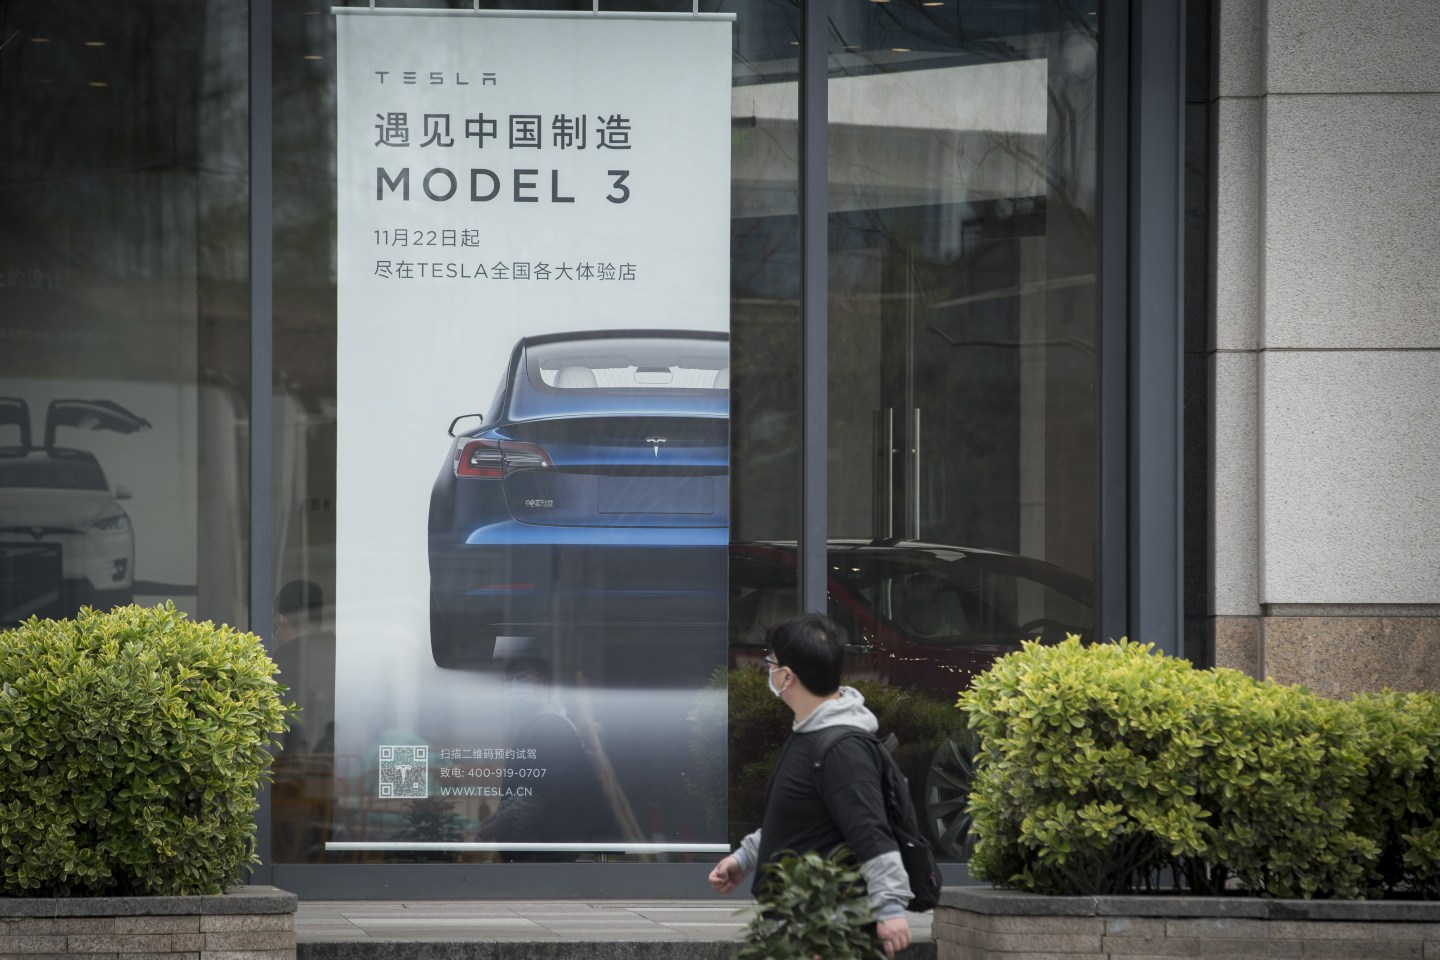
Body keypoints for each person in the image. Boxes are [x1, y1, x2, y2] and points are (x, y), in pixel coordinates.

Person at [708, 613, 913, 959]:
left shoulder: (841, 750)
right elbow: (799, 818)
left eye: (771, 662)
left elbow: (872, 832)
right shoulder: (809, 732)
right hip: (797, 930)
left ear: (787, 676)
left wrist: (890, 910)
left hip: (826, 936)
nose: (768, 670)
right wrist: (745, 858)